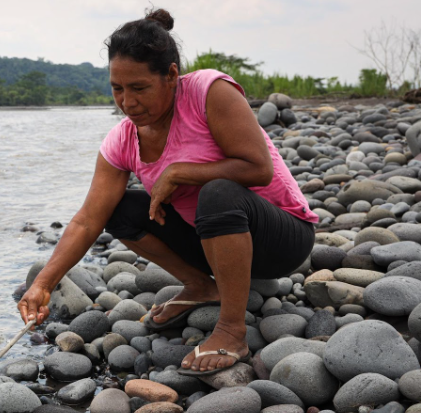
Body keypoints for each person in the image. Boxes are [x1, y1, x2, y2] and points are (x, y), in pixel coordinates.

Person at [18, 8, 317, 376]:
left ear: (171, 75)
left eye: (139, 88)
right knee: (119, 209)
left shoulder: (209, 92)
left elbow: (258, 167)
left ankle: (231, 329)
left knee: (218, 192)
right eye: (117, 89)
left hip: (280, 238)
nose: (127, 103)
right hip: (212, 243)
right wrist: (43, 284)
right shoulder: (123, 139)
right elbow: (87, 219)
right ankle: (201, 285)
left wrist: (180, 172)